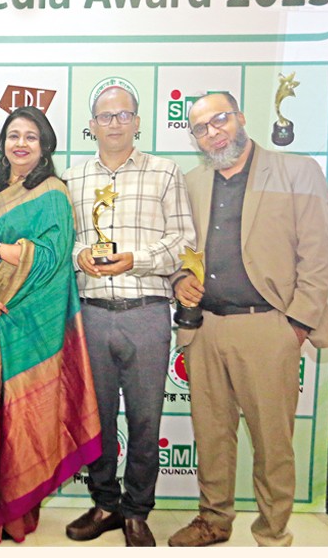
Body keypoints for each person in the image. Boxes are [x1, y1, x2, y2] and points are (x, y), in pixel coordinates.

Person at [168, 92, 328, 547]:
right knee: (212, 436)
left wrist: (296, 326)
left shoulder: (297, 172)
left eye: (219, 119)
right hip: (205, 328)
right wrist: (182, 279)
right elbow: (181, 250)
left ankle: (273, 532)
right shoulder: (191, 183)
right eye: (201, 127)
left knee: (272, 442)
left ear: (240, 117)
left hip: (269, 327)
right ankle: (213, 521)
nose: (212, 131)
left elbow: (318, 256)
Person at [61, 87, 196, 546]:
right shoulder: (72, 178)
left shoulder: (165, 172)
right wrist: (81, 255)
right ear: (92, 125)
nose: (114, 123)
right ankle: (105, 504)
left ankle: (137, 511)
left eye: (123, 115)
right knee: (95, 419)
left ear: (137, 121)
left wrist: (134, 258)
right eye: (105, 116)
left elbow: (184, 240)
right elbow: (64, 240)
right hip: (92, 315)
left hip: (146, 314)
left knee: (145, 421)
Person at [0, 105, 101, 544]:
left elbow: (55, 255)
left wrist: (6, 250)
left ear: (44, 147)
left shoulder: (54, 193)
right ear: (3, 143)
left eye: (30, 137)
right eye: (12, 135)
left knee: (26, 420)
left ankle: (18, 512)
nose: (20, 143)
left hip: (33, 322)